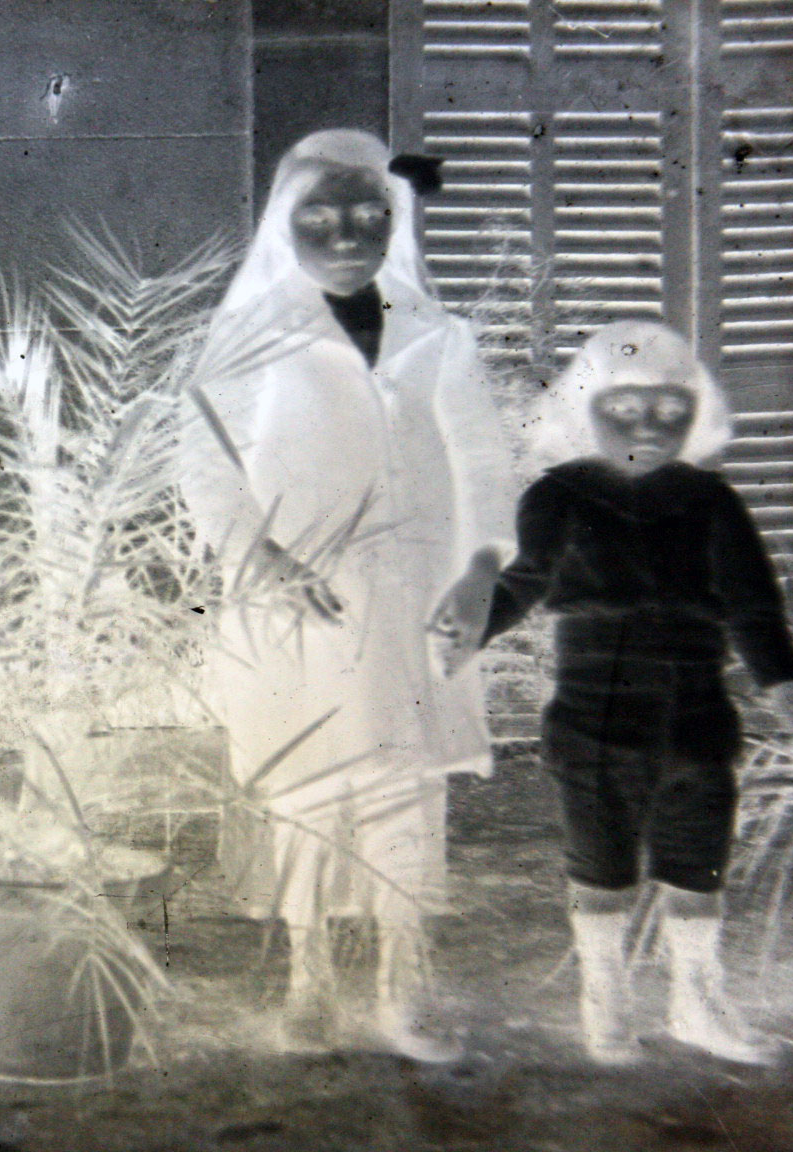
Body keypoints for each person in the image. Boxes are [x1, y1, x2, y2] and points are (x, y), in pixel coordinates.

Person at [180, 129, 517, 1061]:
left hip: (413, 597)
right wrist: (268, 561)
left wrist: (482, 571)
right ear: (285, 230)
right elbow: (204, 466)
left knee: (405, 789)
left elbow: (484, 458)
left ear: (395, 223)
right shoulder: (249, 337)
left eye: (370, 217)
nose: (346, 236)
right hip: (301, 601)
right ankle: (308, 971)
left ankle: (402, 980)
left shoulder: (436, 335)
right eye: (319, 220)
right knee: (308, 791)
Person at [433, 320, 793, 1066]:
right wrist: (471, 630)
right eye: (625, 406)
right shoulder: (560, 494)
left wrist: (784, 682)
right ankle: (604, 995)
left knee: (697, 863)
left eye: (671, 408)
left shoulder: (712, 500)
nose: (650, 424)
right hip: (595, 713)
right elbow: (523, 583)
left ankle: (696, 999)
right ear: (584, 406)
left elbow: (752, 604)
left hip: (698, 713)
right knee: (602, 865)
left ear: (697, 413)